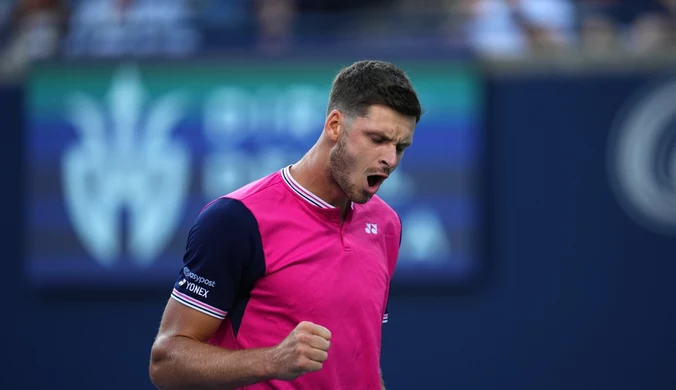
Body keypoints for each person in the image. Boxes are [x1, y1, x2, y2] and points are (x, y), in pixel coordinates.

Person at [149, 59, 422, 390]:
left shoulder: (386, 224)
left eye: (400, 147)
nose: (390, 160)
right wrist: (273, 360)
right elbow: (166, 361)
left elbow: (362, 360)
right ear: (335, 125)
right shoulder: (235, 220)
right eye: (377, 139)